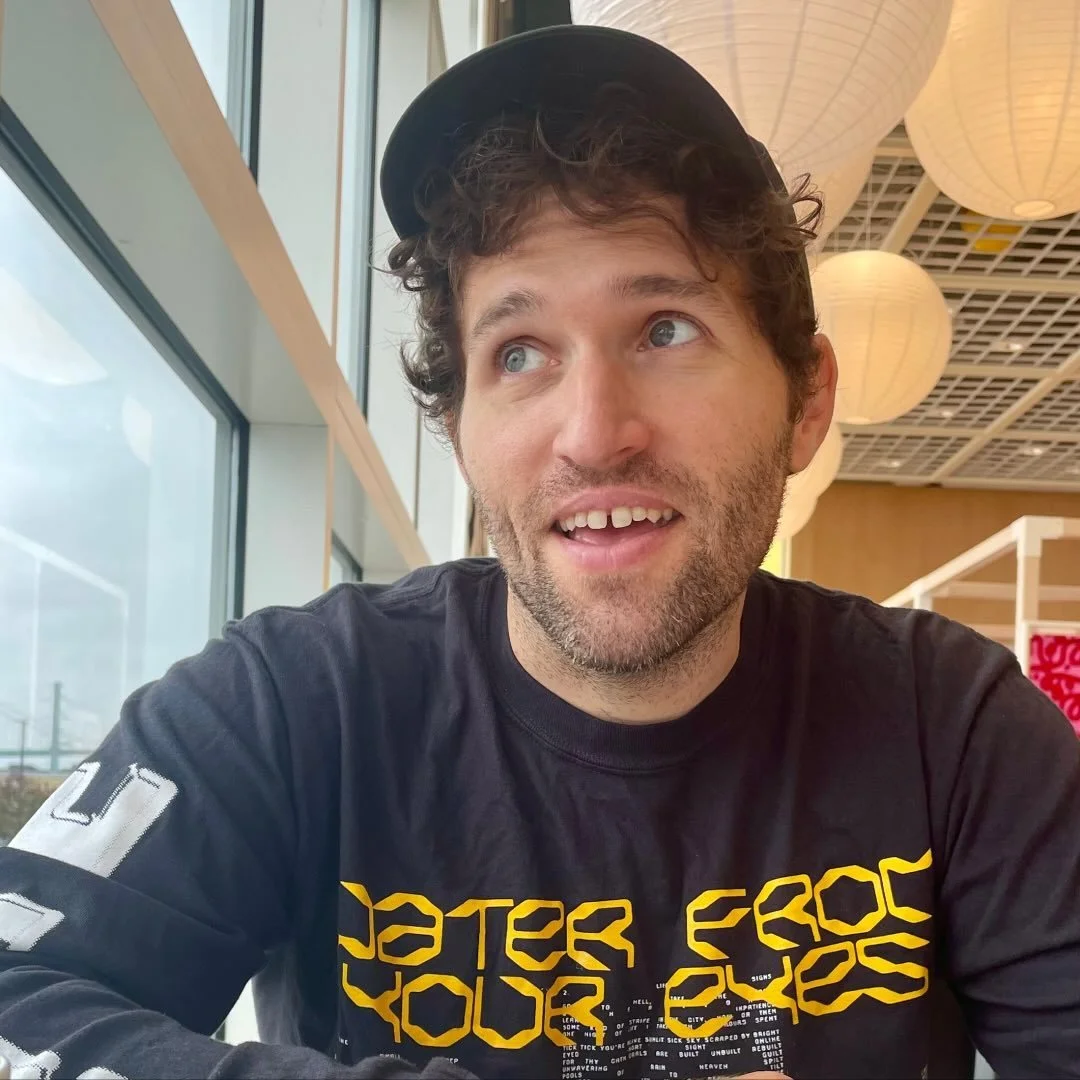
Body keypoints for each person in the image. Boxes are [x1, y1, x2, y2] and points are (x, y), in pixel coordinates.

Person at [0, 22, 1077, 1080]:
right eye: (519, 353)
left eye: (667, 329)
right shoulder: (293, 700)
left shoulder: (955, 729)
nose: (594, 434)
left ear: (806, 403)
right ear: (460, 427)